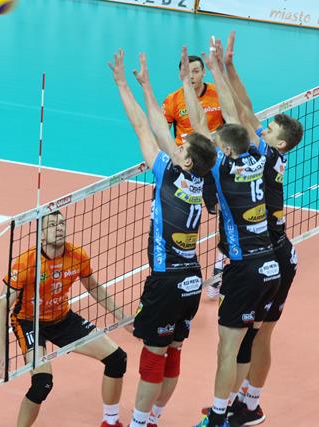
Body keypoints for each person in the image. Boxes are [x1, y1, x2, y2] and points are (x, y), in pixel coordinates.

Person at [109, 49, 217, 427]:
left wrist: (123, 84)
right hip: (191, 280)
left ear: (185, 160)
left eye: (182, 146)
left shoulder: (169, 175)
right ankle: (153, 418)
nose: (177, 144)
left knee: (153, 357)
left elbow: (144, 126)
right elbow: (162, 129)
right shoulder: (200, 177)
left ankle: (139, 423)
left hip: (167, 281)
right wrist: (147, 86)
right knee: (174, 352)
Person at [183, 39, 281, 427]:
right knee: (242, 343)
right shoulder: (259, 154)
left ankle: (219, 418)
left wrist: (192, 82)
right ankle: (233, 409)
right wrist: (216, 68)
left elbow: (199, 123)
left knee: (227, 347)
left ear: (224, 149)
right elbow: (234, 112)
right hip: (270, 267)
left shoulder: (221, 171)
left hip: (244, 269)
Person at [218, 31, 303, 426]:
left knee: (256, 335)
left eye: (269, 130)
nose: (262, 129)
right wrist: (230, 67)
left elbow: (239, 113)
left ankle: (245, 406)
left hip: (271, 254)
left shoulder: (266, 153)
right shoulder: (273, 153)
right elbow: (248, 108)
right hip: (277, 250)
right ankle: (245, 402)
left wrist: (222, 70)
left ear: (280, 143)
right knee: (256, 334)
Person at [0, 211, 128, 427]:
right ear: (41, 235)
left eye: (62, 223)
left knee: (117, 359)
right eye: (52, 224)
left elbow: (93, 287)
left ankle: (110, 422)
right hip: (30, 322)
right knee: (42, 384)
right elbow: (1, 308)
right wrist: (1, 352)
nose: (59, 228)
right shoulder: (26, 263)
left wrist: (123, 317)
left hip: (63, 319)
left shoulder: (77, 256)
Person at [162, 52, 226, 298]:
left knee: (223, 214)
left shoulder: (217, 95)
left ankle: (219, 270)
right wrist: (173, 155)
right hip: (185, 167)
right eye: (188, 72)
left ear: (203, 72)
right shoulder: (172, 100)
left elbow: (231, 125)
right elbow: (162, 130)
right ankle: (179, 269)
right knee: (180, 220)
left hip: (212, 163)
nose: (192, 76)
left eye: (197, 71)